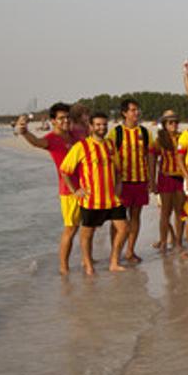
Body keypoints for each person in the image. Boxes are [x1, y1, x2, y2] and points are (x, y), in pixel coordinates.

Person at [14, 102, 84, 275]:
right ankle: (64, 268)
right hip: (69, 192)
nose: (65, 121)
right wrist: (24, 132)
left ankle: (86, 260)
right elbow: (36, 142)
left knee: (87, 227)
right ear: (53, 121)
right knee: (71, 229)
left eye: (67, 117)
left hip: (86, 187)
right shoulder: (52, 139)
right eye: (61, 118)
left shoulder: (75, 134)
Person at [58, 112, 129, 274]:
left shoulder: (110, 145)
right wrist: (75, 190)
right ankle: (89, 266)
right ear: (90, 126)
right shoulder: (81, 147)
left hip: (112, 199)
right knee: (87, 234)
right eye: (98, 125)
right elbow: (64, 170)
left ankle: (114, 262)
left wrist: (118, 187)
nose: (101, 128)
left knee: (124, 228)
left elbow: (118, 170)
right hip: (91, 200)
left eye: (104, 124)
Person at [109, 99, 153, 264]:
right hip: (122, 183)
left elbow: (149, 156)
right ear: (124, 113)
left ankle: (130, 251)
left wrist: (151, 178)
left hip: (140, 180)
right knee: (118, 219)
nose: (136, 113)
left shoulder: (145, 132)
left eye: (137, 110)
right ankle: (115, 252)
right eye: (133, 110)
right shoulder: (116, 133)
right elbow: (110, 157)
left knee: (136, 217)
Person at [151, 110, 187, 251]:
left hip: (180, 177)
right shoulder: (160, 140)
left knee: (180, 212)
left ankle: (178, 241)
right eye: (170, 122)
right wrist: (152, 181)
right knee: (165, 212)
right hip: (165, 177)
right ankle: (164, 241)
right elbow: (152, 159)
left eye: (176, 122)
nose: (174, 124)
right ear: (164, 124)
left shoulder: (183, 137)